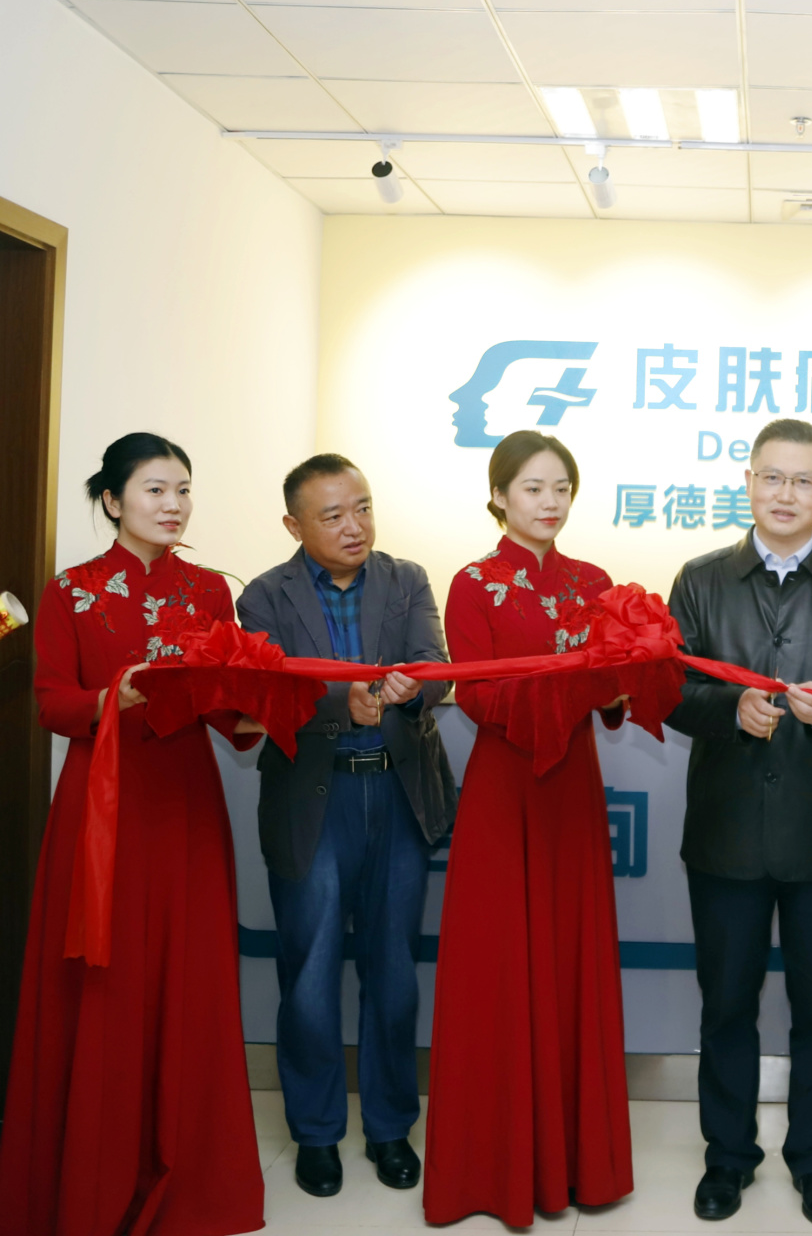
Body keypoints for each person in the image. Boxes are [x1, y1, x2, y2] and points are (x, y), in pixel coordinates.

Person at [0, 433, 266, 1235]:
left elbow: (220, 704)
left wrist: (255, 713)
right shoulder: (71, 592)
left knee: (188, 974)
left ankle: (188, 1176)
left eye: (183, 490)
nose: (174, 505)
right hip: (103, 803)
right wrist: (113, 699)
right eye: (155, 489)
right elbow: (52, 702)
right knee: (107, 979)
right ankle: (96, 1175)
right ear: (113, 501)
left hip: (185, 799)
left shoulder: (210, 591)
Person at [665, 418, 812, 1228]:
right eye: (773, 477)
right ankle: (727, 1157)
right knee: (726, 1005)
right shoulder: (701, 579)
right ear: (749, 482)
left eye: (804, 481)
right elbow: (669, 691)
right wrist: (731, 709)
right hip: (726, 832)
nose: (786, 493)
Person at [422, 430, 633, 1225]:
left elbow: (611, 694)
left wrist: (622, 679)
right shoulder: (473, 583)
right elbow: (477, 695)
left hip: (571, 786)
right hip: (504, 787)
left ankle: (577, 1163)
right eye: (534, 488)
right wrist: (573, 687)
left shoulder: (595, 582)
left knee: (571, 958)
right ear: (500, 496)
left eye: (561, 489)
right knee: (499, 967)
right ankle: (495, 1168)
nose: (549, 503)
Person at [236, 454, 456, 1199]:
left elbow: (434, 666)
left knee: (393, 971)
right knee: (309, 973)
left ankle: (390, 1127)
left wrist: (409, 691)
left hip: (396, 792)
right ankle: (317, 1132)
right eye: (332, 515)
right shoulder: (263, 597)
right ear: (294, 525)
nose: (354, 526)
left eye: (362, 507)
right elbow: (268, 694)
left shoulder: (407, 579)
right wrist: (343, 704)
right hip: (313, 800)